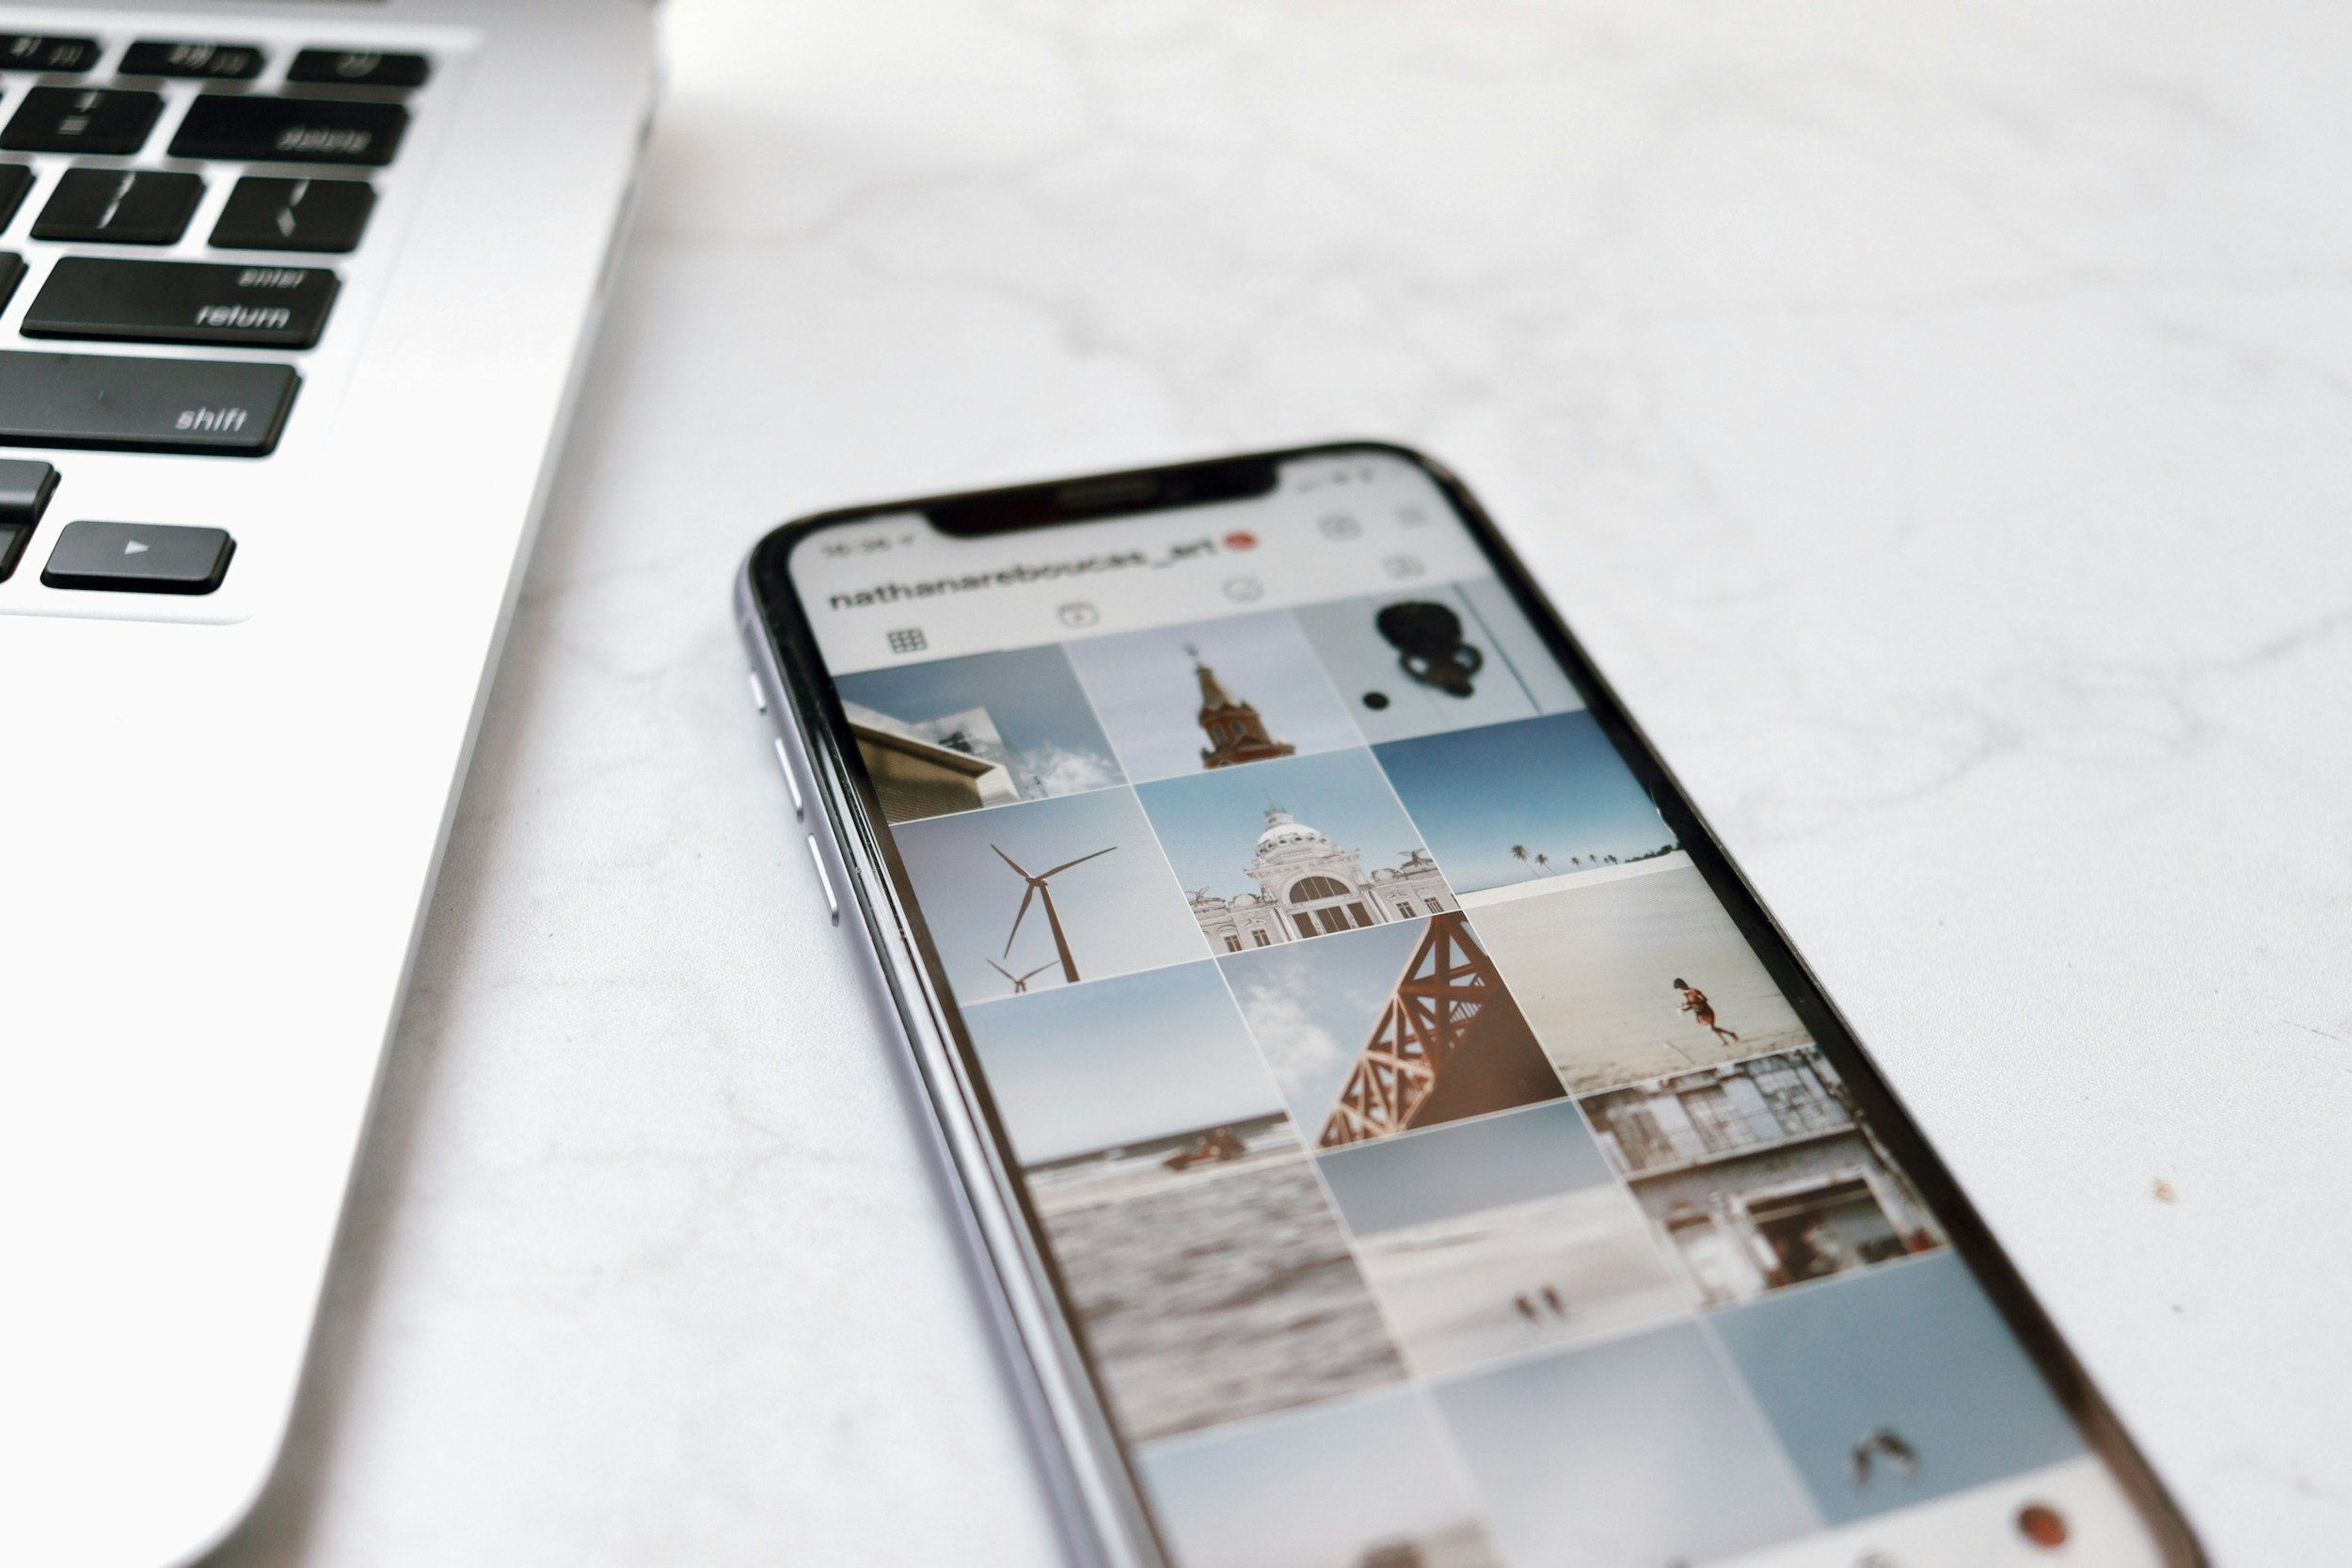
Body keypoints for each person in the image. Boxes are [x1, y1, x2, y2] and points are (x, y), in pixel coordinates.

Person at [1673, 977, 1740, 1046]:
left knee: (1711, 1028)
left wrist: (1690, 1003)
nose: (1681, 989)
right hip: (1699, 1013)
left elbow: (1705, 999)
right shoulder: (1685, 994)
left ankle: (1728, 1037)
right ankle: (1728, 1037)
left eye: (1680, 987)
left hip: (1706, 1011)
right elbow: (1692, 1005)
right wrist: (1685, 1009)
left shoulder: (1694, 991)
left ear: (1683, 985)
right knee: (1712, 1028)